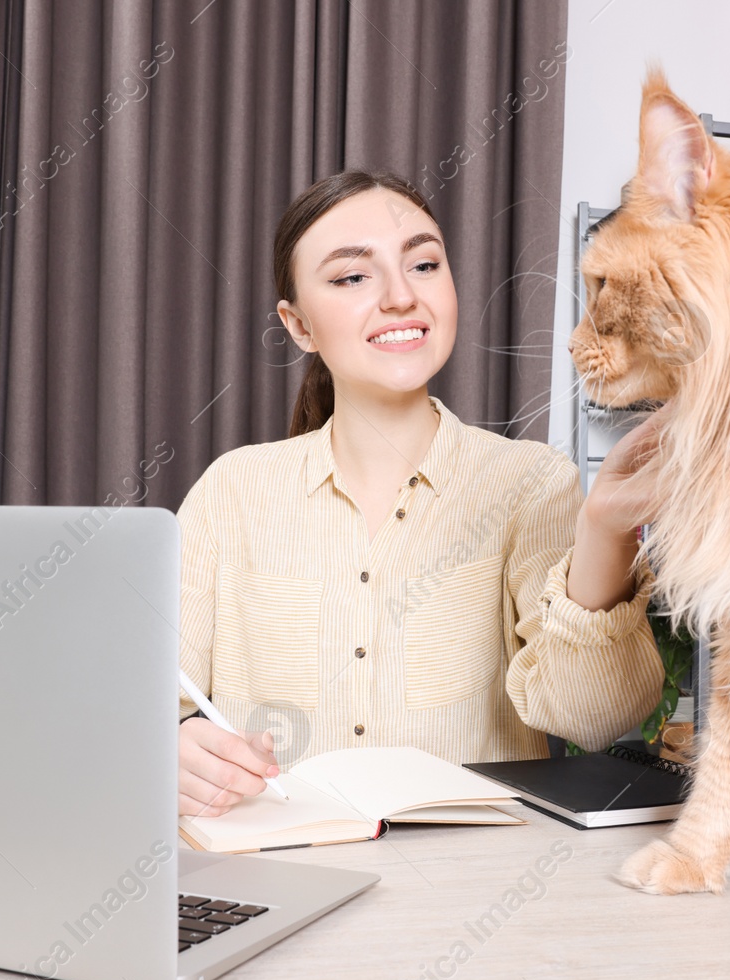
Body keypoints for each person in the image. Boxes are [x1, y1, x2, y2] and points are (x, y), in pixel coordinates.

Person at [175, 169, 667, 818]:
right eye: (353, 277)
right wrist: (174, 748)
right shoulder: (228, 493)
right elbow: (143, 707)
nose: (401, 296)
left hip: (472, 890)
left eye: (424, 264)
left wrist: (604, 530)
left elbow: (595, 719)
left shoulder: (530, 483)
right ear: (298, 325)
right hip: (280, 870)